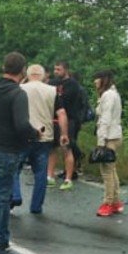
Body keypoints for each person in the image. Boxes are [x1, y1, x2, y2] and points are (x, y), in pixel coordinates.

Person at [0, 52, 39, 254]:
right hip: (6, 149)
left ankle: (1, 241)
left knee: (3, 198)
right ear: (22, 71)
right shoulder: (17, 94)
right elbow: (21, 125)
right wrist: (35, 134)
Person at [11, 64, 66, 215]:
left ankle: (15, 194)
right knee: (41, 173)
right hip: (45, 137)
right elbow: (61, 113)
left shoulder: (19, 89)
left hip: (23, 135)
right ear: (43, 76)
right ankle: (36, 207)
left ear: (27, 75)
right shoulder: (52, 91)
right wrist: (64, 133)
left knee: (15, 168)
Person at [47, 60, 87, 190]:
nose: (56, 72)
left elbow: (64, 100)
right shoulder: (52, 82)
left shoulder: (73, 85)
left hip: (68, 119)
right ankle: (50, 176)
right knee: (52, 148)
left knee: (66, 147)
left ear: (65, 70)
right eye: (55, 69)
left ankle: (68, 178)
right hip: (53, 119)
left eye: (58, 69)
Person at [93, 69, 124, 217]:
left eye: (97, 78)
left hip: (109, 137)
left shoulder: (107, 95)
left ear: (103, 79)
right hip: (114, 135)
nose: (95, 81)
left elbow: (105, 119)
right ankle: (116, 202)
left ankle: (108, 203)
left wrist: (101, 141)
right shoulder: (113, 93)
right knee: (112, 170)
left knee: (106, 171)